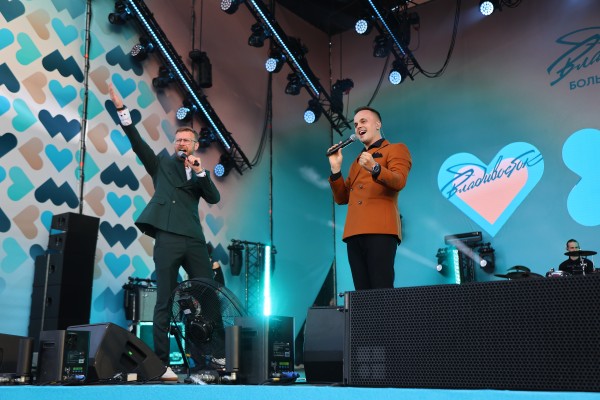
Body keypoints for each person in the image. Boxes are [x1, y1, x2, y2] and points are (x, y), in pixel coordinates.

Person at [109, 85, 220, 380]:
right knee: (164, 300)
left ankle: (211, 359)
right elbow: (136, 142)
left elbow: (214, 198)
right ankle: (161, 364)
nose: (181, 143)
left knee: (206, 296)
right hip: (168, 238)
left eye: (186, 140)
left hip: (194, 239)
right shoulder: (161, 164)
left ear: (195, 146)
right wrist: (121, 109)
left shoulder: (199, 172)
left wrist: (200, 172)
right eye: (178, 139)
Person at [327, 106, 412, 290]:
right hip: (354, 232)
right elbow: (342, 198)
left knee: (381, 289)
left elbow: (399, 180)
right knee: (362, 292)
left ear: (378, 124)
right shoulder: (356, 162)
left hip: (380, 228)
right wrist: (335, 169)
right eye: (356, 124)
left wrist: (375, 167)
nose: (358, 126)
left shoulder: (396, 149)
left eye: (363, 121)